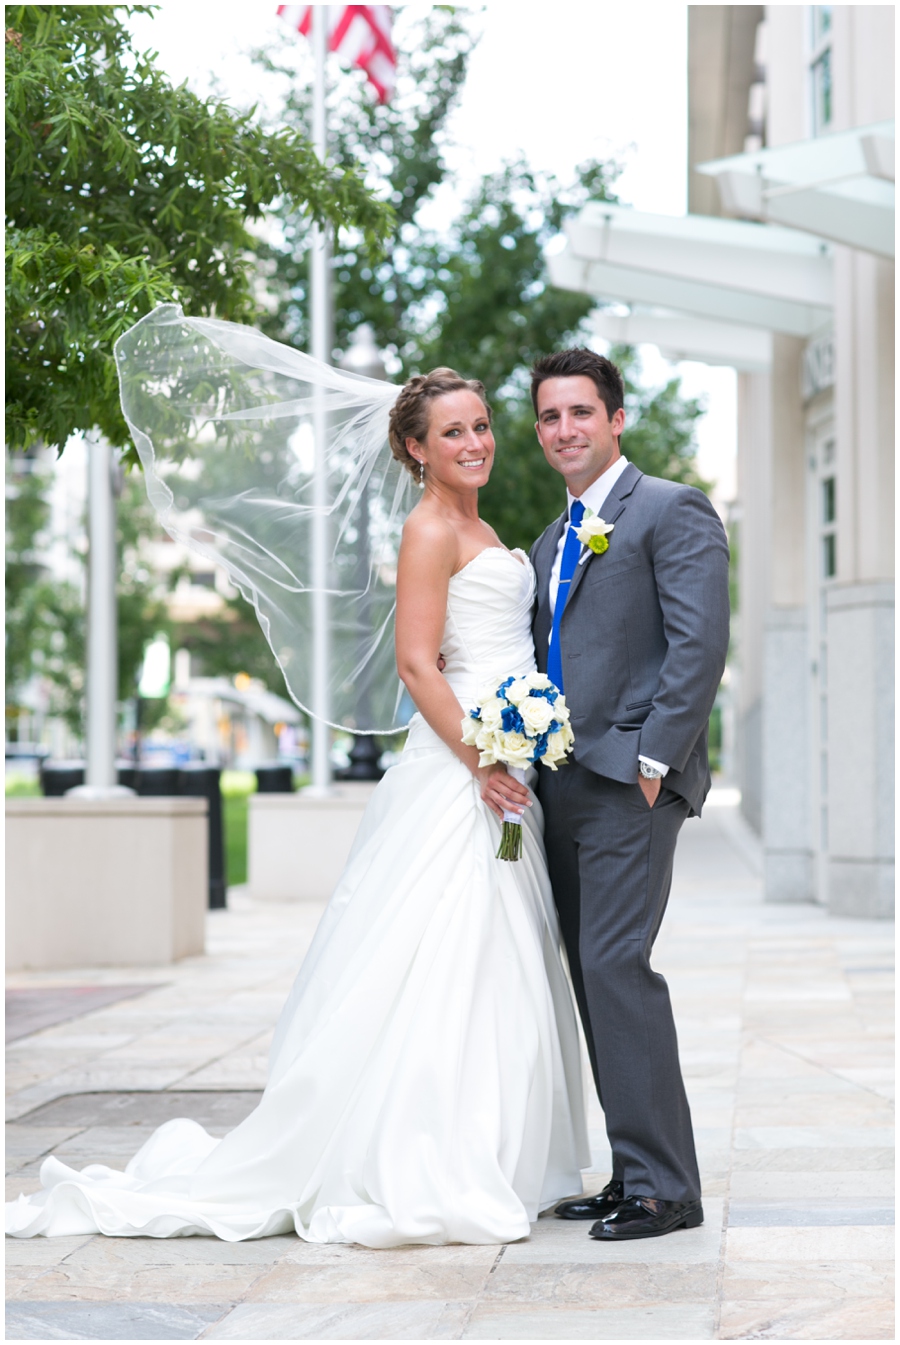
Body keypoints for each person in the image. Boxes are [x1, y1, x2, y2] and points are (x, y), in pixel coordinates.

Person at [7, 367, 589, 1247]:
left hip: (503, 760)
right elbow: (418, 665)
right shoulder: (430, 528)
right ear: (414, 448)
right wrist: (481, 758)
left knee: (494, 953)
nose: (476, 443)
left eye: (481, 426)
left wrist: (515, 745)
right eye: (453, 432)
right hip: (463, 765)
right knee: (448, 947)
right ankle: (425, 1153)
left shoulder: (479, 522)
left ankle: (500, 1149)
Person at [528, 348, 730, 1241]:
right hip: (561, 785)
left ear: (616, 418)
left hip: (632, 784)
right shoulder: (549, 539)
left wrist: (655, 759)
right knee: (590, 974)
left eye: (580, 412)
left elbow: (698, 646)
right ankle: (630, 1170)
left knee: (617, 967)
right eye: (548, 417)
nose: (564, 429)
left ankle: (667, 1190)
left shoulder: (669, 509)